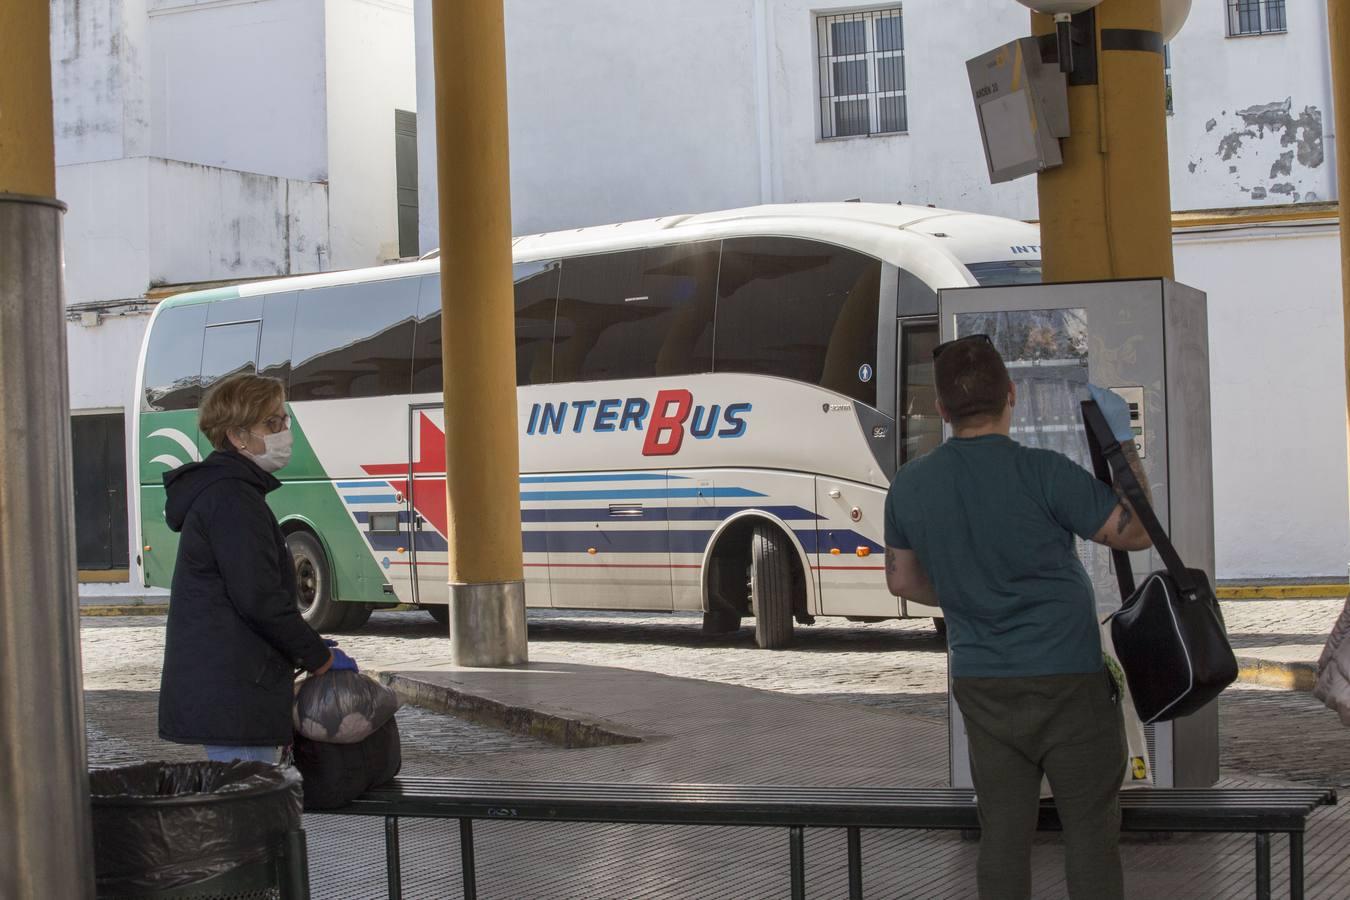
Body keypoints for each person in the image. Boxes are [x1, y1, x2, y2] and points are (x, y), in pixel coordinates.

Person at [882, 334, 1152, 900]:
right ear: (1011, 395)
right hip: (1069, 679)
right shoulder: (1044, 473)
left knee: (1002, 835)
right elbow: (1134, 532)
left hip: (983, 683)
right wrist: (1123, 445)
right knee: (1090, 833)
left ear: (942, 410)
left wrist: (963, 593)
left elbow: (903, 581)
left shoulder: (910, 486)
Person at [158, 373, 357, 763]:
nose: (285, 432)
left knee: (253, 809)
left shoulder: (231, 491)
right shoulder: (232, 498)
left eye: (284, 420)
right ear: (237, 436)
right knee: (251, 812)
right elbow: (259, 599)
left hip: (235, 686)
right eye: (272, 423)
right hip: (237, 692)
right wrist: (319, 657)